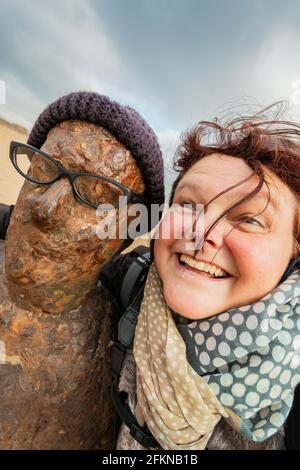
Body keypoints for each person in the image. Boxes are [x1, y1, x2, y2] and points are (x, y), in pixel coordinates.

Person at [1, 104, 300, 450]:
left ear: (293, 254)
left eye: (249, 219)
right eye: (189, 205)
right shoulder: (134, 283)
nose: (200, 233)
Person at [0, 91, 164, 449]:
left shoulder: (121, 356)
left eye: (93, 193)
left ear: (125, 235)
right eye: (43, 169)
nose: (47, 209)